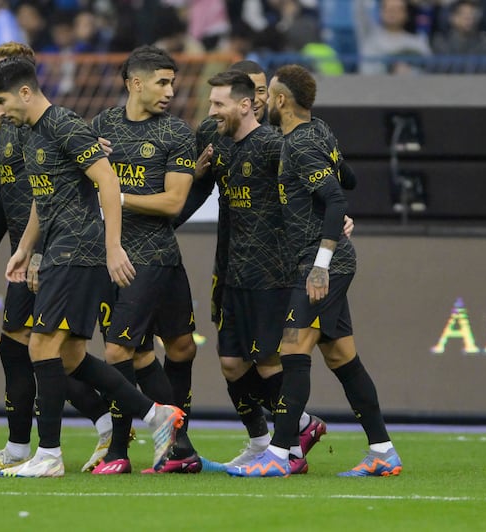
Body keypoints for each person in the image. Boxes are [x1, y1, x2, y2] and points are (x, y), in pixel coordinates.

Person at [0, 56, 185, 478]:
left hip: (80, 249)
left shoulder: (65, 124)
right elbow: (45, 195)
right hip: (57, 248)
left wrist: (113, 248)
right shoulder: (31, 134)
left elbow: (107, 180)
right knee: (71, 357)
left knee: (40, 345)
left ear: (24, 92)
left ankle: (50, 455)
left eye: (1, 102)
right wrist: (25, 248)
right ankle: (155, 415)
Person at [227, 64, 402, 478]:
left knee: (292, 350)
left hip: (322, 264)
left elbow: (338, 199)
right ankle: (383, 451)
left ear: (283, 100)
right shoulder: (319, 131)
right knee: (342, 356)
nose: (265, 101)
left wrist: (321, 264)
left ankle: (279, 454)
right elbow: (350, 178)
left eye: (269, 94)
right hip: (327, 258)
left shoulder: (302, 143)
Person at [0, 41, 116, 473]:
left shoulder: (47, 126)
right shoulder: (11, 128)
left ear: (24, 85)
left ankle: (93, 431)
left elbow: (59, 192)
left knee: (49, 351)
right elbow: (6, 194)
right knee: (29, 351)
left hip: (55, 251)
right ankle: (29, 447)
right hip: (26, 247)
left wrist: (37, 253)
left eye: (2, 86)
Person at [175, 60, 333, 472]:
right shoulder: (213, 136)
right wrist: (172, 214)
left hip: (273, 270)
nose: (210, 111)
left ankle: (289, 447)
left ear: (246, 104)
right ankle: (276, 434)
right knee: (231, 363)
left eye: (217, 103)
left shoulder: (275, 146)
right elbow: (196, 189)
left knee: (267, 362)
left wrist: (335, 222)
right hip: (230, 270)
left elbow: (316, 189)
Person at [89, 45, 202, 474]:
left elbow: (174, 201)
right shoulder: (101, 127)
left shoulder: (175, 133)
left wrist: (116, 197)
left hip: (154, 256)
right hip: (115, 254)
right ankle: (165, 447)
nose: (171, 91)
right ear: (135, 83)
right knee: (131, 351)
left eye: (172, 82)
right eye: (162, 82)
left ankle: (133, 449)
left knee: (169, 348)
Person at [354, 0, 432, 74]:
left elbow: (429, 68)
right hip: (369, 86)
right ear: (381, 12)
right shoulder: (369, 34)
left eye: (397, 9)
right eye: (388, 9)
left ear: (406, 14)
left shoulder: (417, 42)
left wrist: (410, 72)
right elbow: (359, 10)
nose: (392, 13)